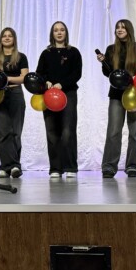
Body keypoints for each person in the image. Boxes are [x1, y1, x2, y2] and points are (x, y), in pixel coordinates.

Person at [97, 19, 136, 178]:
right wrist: (104, 62)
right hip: (116, 94)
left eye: (123, 27)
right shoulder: (111, 49)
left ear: (129, 30)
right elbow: (108, 74)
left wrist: (135, 78)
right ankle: (109, 166)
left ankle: (133, 166)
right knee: (113, 131)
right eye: (117, 27)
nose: (119, 30)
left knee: (135, 132)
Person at [35, 21, 83, 179]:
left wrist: (62, 84)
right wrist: (46, 82)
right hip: (49, 96)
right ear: (52, 34)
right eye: (56, 30)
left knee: (68, 130)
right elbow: (39, 73)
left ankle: (70, 167)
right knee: (52, 131)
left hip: (68, 94)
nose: (59, 32)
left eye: (62, 30)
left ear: (66, 33)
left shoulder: (73, 52)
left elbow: (76, 74)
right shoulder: (46, 53)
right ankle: (55, 168)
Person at [0, 27, 29, 178]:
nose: (6, 38)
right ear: (0, 39)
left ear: (14, 39)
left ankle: (12, 167)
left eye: (10, 36)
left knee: (16, 132)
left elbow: (24, 78)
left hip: (16, 93)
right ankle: (9, 167)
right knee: (3, 132)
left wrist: (7, 78)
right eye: (4, 36)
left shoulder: (21, 57)